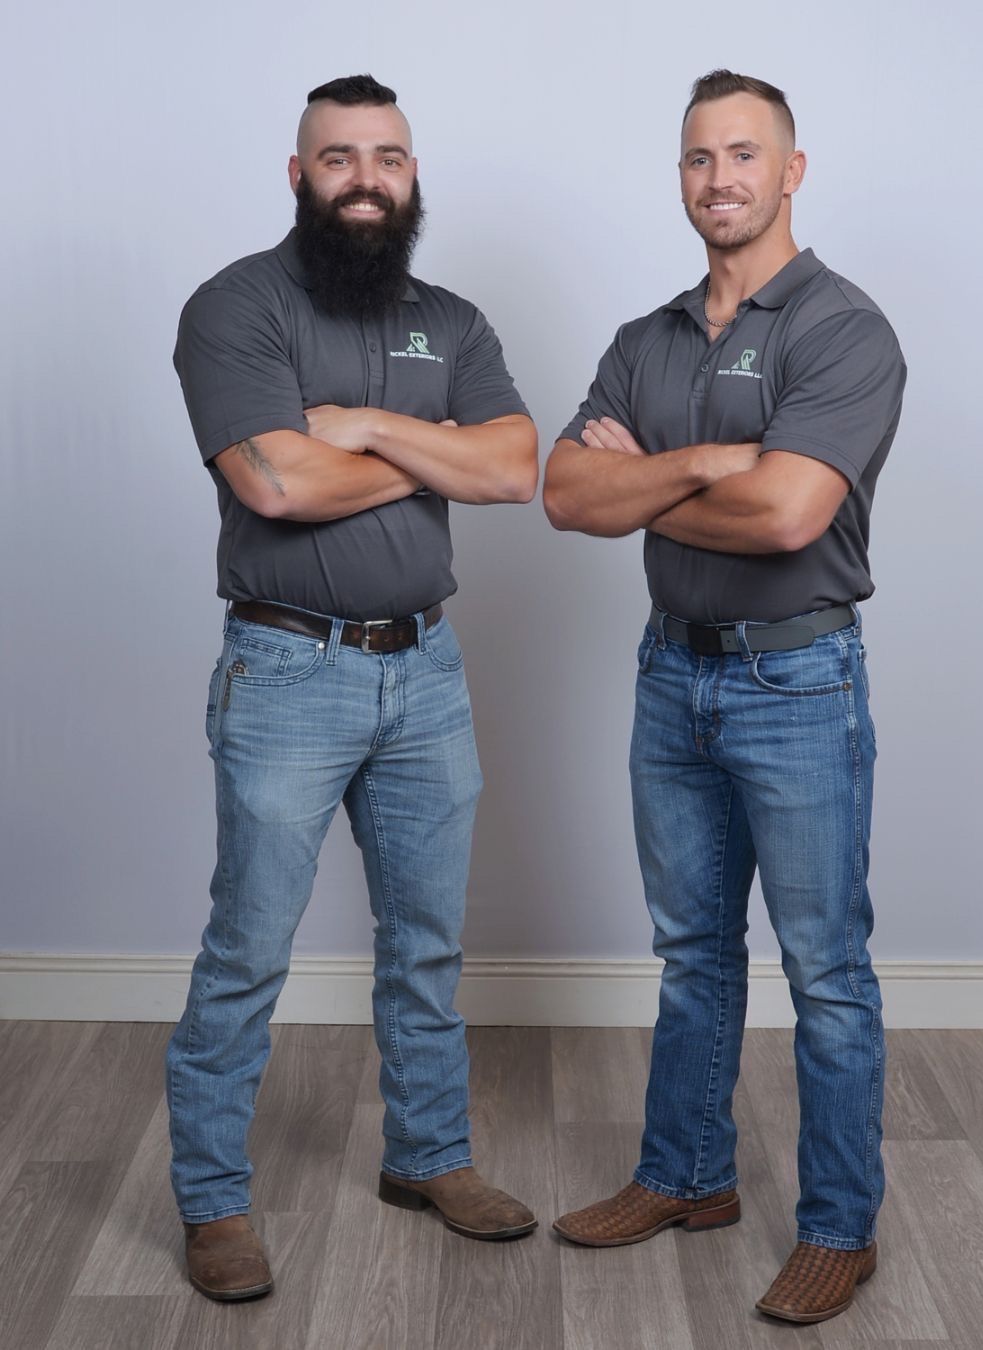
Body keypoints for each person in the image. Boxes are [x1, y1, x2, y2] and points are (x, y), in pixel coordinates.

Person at [169, 73, 539, 1302]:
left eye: (387, 157)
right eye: (339, 158)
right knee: (248, 950)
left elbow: (518, 468)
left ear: (412, 174)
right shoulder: (237, 307)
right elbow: (276, 485)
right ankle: (214, 1202)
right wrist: (441, 455)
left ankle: (429, 1157)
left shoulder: (452, 320)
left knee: (426, 942)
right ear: (299, 175)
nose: (366, 179)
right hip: (289, 671)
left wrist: (370, 431)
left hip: (426, 670)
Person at [543, 69, 905, 1325]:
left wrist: (641, 480)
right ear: (681, 177)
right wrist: (704, 463)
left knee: (825, 969)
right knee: (692, 952)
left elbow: (792, 512)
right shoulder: (644, 339)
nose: (721, 179)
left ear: (791, 171)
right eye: (700, 158)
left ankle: (840, 1228)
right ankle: (686, 1175)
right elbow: (565, 495)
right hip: (672, 673)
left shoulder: (842, 329)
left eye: (745, 155)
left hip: (795, 678)